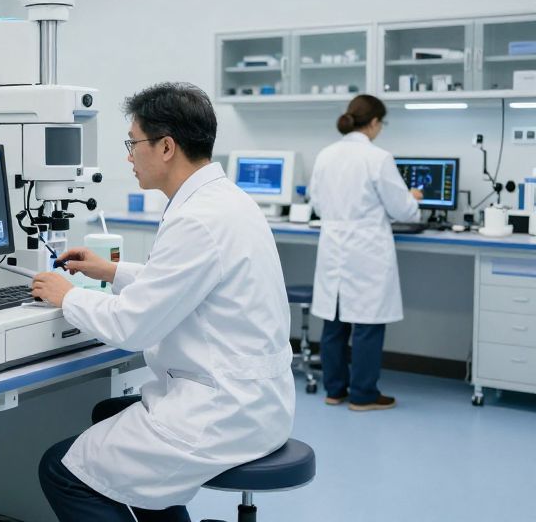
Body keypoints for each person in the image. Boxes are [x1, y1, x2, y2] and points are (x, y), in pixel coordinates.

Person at [32, 83, 294, 522]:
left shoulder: (197, 218)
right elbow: (188, 283)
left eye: (133, 143)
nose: (128, 156)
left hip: (221, 412)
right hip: (257, 401)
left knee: (61, 470)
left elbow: (134, 327)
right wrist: (112, 271)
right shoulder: (226, 202)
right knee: (107, 414)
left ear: (167, 146)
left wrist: (69, 296)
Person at [308, 94, 422, 411]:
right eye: (380, 124)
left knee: (334, 321)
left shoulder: (326, 155)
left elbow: (316, 203)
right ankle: (363, 395)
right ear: (373, 123)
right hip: (366, 248)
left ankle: (335, 390)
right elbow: (404, 210)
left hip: (334, 245)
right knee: (367, 325)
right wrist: (413, 197)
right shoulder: (378, 158)